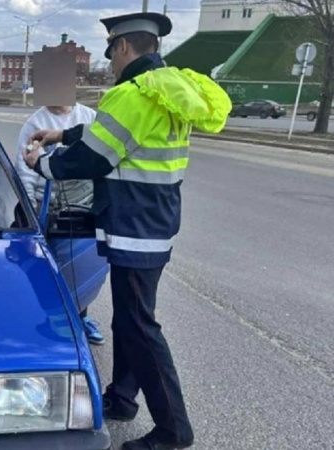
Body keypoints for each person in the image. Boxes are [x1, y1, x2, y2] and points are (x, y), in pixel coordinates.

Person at [21, 11, 231, 450]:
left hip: (134, 226)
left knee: (139, 326)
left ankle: (174, 430)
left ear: (122, 47)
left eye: (112, 53)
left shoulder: (132, 94)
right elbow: (115, 134)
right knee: (131, 321)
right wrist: (63, 134)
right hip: (153, 221)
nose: (112, 63)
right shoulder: (165, 89)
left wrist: (42, 162)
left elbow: (94, 158)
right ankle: (122, 398)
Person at [15, 103, 106, 346]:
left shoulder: (89, 117)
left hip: (83, 206)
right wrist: (30, 214)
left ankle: (80, 317)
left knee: (80, 265)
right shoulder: (35, 123)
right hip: (47, 208)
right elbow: (25, 172)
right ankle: (48, 317)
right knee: (45, 267)